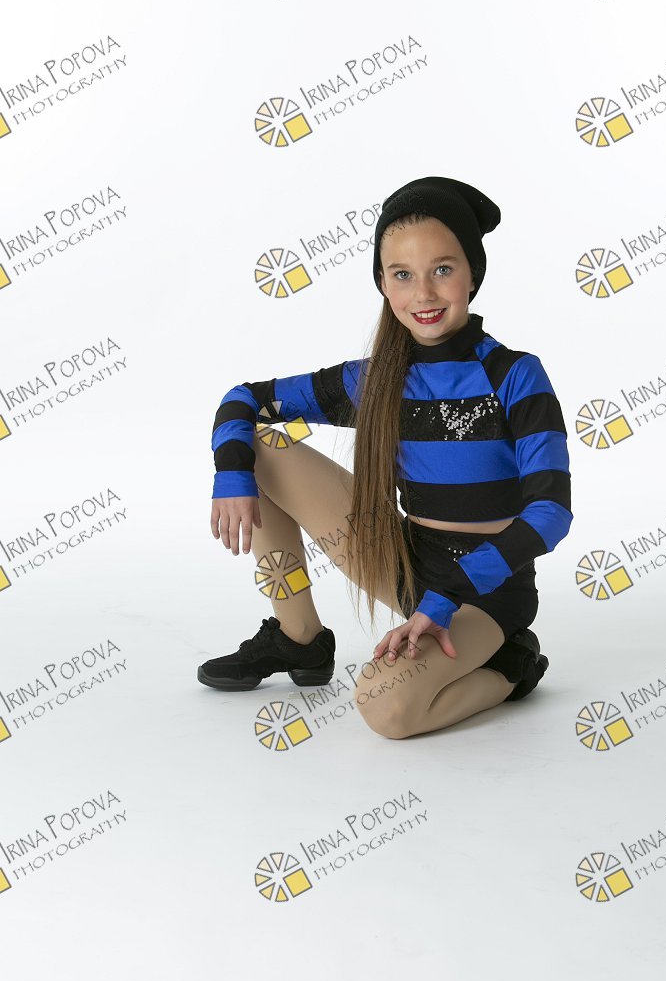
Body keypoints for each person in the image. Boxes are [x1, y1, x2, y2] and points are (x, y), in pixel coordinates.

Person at [199, 176, 573, 739]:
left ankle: (512, 667)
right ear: (382, 282)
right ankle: (298, 639)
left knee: (385, 706)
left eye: (442, 269)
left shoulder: (515, 375)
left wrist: (446, 598)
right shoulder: (375, 381)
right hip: (404, 560)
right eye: (402, 274)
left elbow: (551, 513)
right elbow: (243, 399)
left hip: (484, 593)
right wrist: (231, 474)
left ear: (473, 274)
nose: (423, 294)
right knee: (261, 447)